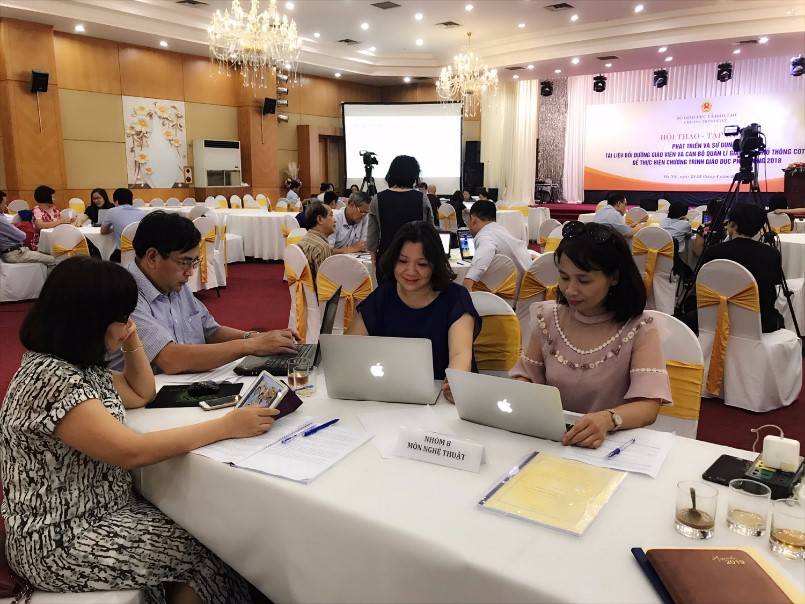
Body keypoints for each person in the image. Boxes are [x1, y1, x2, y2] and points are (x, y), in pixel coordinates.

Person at [0, 256, 270, 601]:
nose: (129, 323)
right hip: (60, 538)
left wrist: (131, 341)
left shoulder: (77, 366)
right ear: (92, 321)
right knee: (210, 552)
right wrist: (226, 426)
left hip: (103, 510)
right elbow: (131, 451)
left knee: (211, 531)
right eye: (123, 317)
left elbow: (141, 393)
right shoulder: (50, 379)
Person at [510, 221, 671, 449]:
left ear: (614, 277)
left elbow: (649, 405)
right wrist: (524, 392)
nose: (570, 290)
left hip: (607, 446)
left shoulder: (639, 328)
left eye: (584, 280)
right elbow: (526, 376)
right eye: (564, 277)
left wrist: (609, 419)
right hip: (551, 441)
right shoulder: (548, 318)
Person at [108, 211, 298, 374]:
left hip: (186, 381)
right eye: (184, 262)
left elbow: (210, 331)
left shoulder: (172, 283)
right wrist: (251, 346)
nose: (190, 272)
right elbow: (169, 359)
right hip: (147, 397)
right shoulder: (125, 294)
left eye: (194, 262)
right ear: (152, 257)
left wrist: (257, 337)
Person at [347, 221, 480, 402]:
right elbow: (349, 347)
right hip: (390, 395)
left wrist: (456, 383)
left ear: (435, 265)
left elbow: (460, 354)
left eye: (422, 264)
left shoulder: (455, 298)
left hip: (442, 401)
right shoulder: (383, 295)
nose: (410, 271)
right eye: (402, 261)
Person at [695, 203, 785, 333]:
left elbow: (701, 285)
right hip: (760, 322)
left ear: (733, 224)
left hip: (716, 319)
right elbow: (772, 289)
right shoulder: (772, 254)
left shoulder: (713, 252)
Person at [366, 155, 434, 279]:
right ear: (414, 175)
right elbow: (430, 231)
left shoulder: (378, 199)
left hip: (386, 257)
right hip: (417, 260)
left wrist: (373, 257)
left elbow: (372, 234)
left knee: (387, 291)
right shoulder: (421, 198)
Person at [463, 200, 533, 291]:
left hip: (513, 292)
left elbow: (487, 249)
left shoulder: (484, 235)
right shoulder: (500, 230)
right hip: (528, 287)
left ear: (473, 219)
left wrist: (468, 281)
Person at [0, 191, 56, 267]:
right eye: (4, 203)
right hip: (15, 253)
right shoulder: (1, 220)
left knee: (46, 254)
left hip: (15, 251)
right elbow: (22, 236)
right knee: (54, 260)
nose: (6, 206)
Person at [101, 187, 145, 263]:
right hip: (140, 254)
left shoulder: (112, 211)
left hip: (122, 253)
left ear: (116, 201)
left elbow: (103, 231)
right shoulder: (142, 213)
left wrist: (114, 228)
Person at [296, 201, 335, 285]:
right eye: (331, 215)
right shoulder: (322, 248)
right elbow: (325, 285)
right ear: (320, 219)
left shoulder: (303, 240)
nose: (334, 220)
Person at [31, 185, 72, 251]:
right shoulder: (37, 210)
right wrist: (60, 221)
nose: (54, 199)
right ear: (46, 198)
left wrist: (68, 221)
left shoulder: (54, 209)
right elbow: (39, 225)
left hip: (57, 237)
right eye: (53, 197)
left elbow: (61, 222)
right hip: (43, 241)